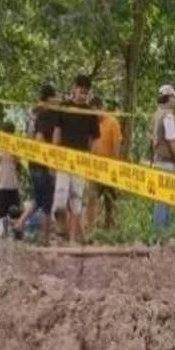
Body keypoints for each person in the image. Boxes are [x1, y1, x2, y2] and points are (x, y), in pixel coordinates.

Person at [52, 74, 100, 245]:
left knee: (76, 201)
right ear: (75, 89)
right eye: (81, 91)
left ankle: (72, 239)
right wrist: (54, 154)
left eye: (86, 93)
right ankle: (60, 229)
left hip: (80, 162)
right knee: (60, 199)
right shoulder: (64, 107)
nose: (83, 95)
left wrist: (89, 159)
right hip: (63, 159)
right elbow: (57, 131)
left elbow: (93, 140)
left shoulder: (91, 114)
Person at [14, 84, 60, 244]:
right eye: (55, 97)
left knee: (39, 199)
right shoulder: (46, 116)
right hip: (41, 164)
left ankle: (19, 224)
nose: (57, 100)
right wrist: (49, 162)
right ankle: (45, 239)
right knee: (47, 201)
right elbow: (39, 138)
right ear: (49, 99)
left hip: (33, 162)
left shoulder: (37, 114)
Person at [85, 96, 122, 231]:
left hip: (109, 168)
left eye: (94, 111)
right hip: (94, 167)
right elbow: (88, 144)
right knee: (91, 197)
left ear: (100, 108)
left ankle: (110, 226)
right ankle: (90, 226)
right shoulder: (91, 123)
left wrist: (114, 168)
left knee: (110, 200)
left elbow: (116, 147)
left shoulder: (112, 122)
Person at [151, 84, 175, 229]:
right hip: (166, 162)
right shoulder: (168, 115)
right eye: (173, 98)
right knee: (165, 199)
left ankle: (159, 231)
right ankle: (161, 232)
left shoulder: (157, 113)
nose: (174, 101)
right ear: (168, 98)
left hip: (158, 159)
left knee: (160, 199)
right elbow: (172, 140)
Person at [0, 121, 23, 237]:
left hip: (13, 184)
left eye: (10, 133)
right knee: (2, 211)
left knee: (16, 211)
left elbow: (18, 162)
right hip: (2, 184)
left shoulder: (15, 146)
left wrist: (13, 150)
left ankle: (17, 232)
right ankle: (4, 232)